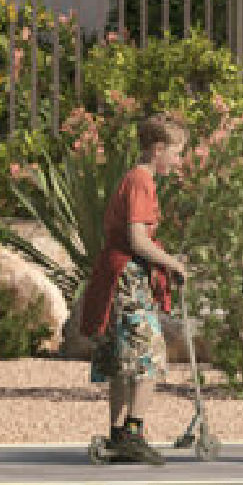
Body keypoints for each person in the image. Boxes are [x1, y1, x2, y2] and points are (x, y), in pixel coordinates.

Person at [84, 114, 193, 463]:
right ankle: (133, 432)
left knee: (122, 360)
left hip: (116, 276)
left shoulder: (133, 178)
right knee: (149, 356)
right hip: (128, 278)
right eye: (176, 153)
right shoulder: (142, 181)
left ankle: (118, 434)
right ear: (158, 150)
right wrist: (173, 263)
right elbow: (137, 238)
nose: (178, 161)